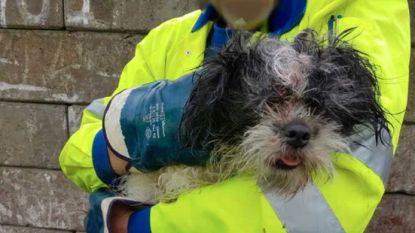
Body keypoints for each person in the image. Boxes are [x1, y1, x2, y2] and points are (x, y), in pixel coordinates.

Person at [59, 0, 410, 232]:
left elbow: (323, 205)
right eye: (269, 104)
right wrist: (132, 138)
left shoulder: (358, 9)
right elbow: (76, 153)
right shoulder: (166, 39)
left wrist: (136, 226)